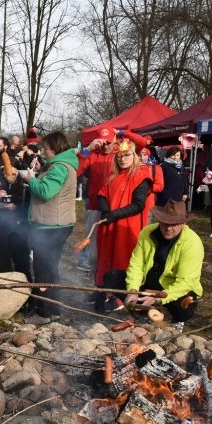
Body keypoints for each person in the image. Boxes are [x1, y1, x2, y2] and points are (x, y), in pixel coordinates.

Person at [14, 131, 78, 322]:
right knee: (50, 269)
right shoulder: (63, 165)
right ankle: (54, 311)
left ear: (55, 148)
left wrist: (30, 179)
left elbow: (46, 191)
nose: (44, 152)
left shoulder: (59, 167)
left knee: (44, 270)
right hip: (55, 224)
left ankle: (44, 313)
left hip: (51, 227)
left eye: (46, 149)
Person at [115, 200, 203, 330]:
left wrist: (158, 299)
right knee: (112, 277)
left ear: (183, 223)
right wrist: (132, 290)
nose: (168, 228)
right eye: (165, 222)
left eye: (173, 224)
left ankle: (177, 320)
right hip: (149, 283)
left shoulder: (192, 243)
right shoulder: (147, 232)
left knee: (184, 310)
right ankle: (143, 313)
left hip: (174, 288)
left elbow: (185, 282)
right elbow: (136, 264)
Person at [76, 127, 148, 272]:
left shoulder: (120, 152)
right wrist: (87, 149)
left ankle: (111, 273)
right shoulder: (92, 155)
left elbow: (142, 143)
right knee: (96, 244)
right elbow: (77, 170)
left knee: (118, 246)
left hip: (120, 208)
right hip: (97, 206)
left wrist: (122, 133)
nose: (106, 145)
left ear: (114, 140)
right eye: (103, 142)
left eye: (109, 142)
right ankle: (96, 270)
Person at [94, 143, 152, 312]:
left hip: (126, 227)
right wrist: (105, 211)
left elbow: (138, 204)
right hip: (109, 226)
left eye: (126, 155)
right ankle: (102, 294)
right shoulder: (113, 176)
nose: (123, 159)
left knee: (123, 261)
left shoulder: (141, 174)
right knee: (105, 259)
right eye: (119, 156)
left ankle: (120, 298)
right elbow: (102, 194)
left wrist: (114, 215)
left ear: (133, 156)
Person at [0, 137, 31, 279]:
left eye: (12, 174)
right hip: (0, 228)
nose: (9, 177)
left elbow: (29, 210)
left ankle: (26, 289)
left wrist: (15, 208)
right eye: (6, 174)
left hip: (20, 229)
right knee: (3, 263)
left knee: (21, 263)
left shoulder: (25, 187)